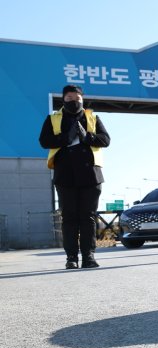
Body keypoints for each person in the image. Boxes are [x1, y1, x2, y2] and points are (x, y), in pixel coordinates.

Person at [39, 85, 111, 269]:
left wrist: (87, 136)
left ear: (82, 99)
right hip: (65, 176)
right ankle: (71, 258)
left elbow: (106, 140)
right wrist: (66, 137)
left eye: (77, 98)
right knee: (69, 218)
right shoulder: (53, 119)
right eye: (69, 98)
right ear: (63, 99)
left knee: (88, 218)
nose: (74, 101)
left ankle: (89, 256)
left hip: (91, 175)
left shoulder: (93, 117)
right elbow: (44, 141)